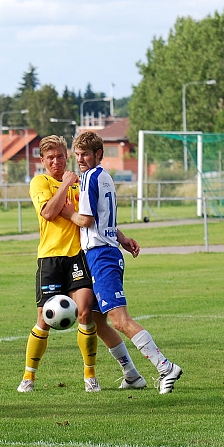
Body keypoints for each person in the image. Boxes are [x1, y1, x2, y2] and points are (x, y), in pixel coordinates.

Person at [18, 135, 139, 394]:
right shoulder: (41, 182)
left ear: (67, 157)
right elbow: (49, 213)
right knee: (43, 319)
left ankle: (90, 377)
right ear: (42, 161)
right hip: (50, 258)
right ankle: (28, 377)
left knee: (87, 313)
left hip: (79, 256)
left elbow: (96, 217)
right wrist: (65, 185)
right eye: (50, 158)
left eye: (60, 156)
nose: (56, 161)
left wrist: (122, 238)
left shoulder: (83, 182)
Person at [64, 131, 183, 394]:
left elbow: (87, 219)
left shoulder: (88, 179)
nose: (81, 159)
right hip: (105, 250)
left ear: (99, 155)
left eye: (86, 154)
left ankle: (165, 367)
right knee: (96, 319)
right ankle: (131, 374)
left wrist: (64, 210)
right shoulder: (105, 177)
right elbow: (107, 219)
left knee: (119, 319)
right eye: (78, 154)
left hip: (101, 255)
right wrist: (123, 237)